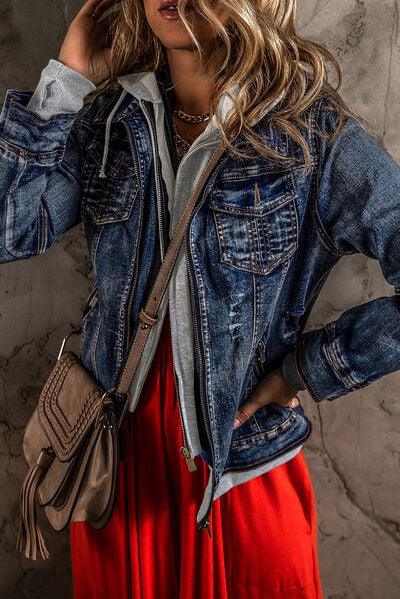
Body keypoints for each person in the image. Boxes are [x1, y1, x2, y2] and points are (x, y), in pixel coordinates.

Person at [1, 0, 399, 597]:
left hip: (240, 477)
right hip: (117, 475)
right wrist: (68, 76)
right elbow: (10, 228)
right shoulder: (109, 121)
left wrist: (307, 369)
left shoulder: (309, 133)